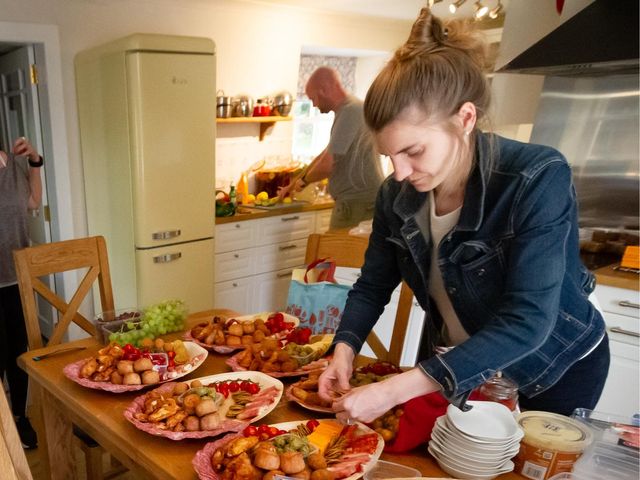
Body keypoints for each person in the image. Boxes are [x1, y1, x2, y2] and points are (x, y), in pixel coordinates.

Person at [318, 7, 609, 421]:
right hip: (455, 367)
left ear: (465, 118)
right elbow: (372, 286)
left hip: (550, 371)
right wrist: (343, 350)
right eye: (388, 155)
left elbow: (527, 321)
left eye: (413, 151)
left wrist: (395, 389)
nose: (399, 172)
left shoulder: (536, 177)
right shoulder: (396, 195)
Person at [278, 67, 384, 230]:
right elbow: (324, 154)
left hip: (356, 204)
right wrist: (292, 185)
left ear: (324, 90)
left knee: (336, 254)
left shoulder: (350, 111)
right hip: (359, 203)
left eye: (313, 98)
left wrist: (304, 182)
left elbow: (327, 165)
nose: (313, 105)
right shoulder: (351, 109)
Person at [0, 136, 42, 449]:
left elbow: (32, 203)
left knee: (18, 351)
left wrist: (34, 162)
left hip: (15, 276)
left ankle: (19, 417)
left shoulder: (11, 164)